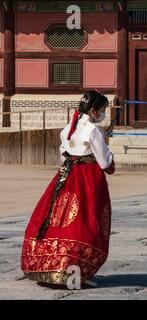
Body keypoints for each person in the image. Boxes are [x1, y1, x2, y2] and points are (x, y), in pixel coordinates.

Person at [21, 90, 115, 288]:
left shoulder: (67, 129)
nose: (104, 113)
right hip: (87, 180)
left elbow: (63, 156)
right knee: (86, 220)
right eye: (102, 110)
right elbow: (105, 162)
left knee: (56, 216)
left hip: (66, 177)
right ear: (93, 110)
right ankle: (77, 269)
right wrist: (110, 158)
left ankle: (49, 264)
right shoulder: (93, 131)